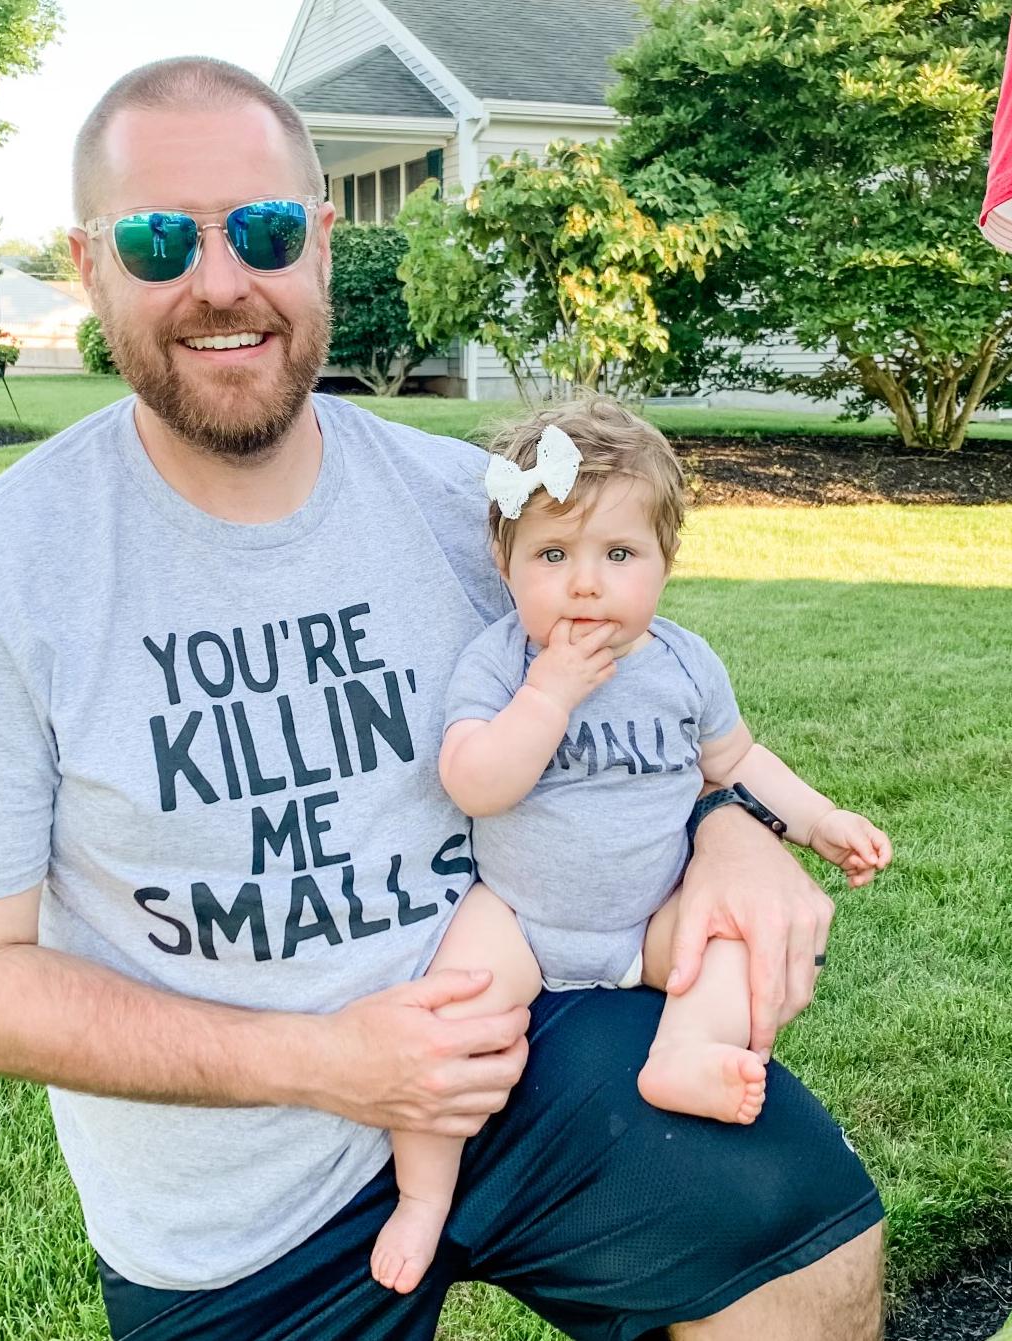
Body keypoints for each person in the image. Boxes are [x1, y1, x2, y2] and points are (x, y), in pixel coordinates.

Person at [0, 56, 886, 1341]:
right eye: (158, 241)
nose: (221, 282)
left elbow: (639, 697)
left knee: (800, 1238)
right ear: (89, 266)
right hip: (240, 1193)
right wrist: (324, 1063)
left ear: (321, 245)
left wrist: (732, 827)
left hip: (522, 1032)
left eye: (263, 230)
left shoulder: (476, 512)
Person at [370, 400, 893, 1295]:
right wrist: (547, 695)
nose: (585, 585)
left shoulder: (684, 664)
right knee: (446, 1023)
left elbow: (736, 761)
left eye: (618, 555)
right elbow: (473, 781)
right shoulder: (499, 663)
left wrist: (816, 820)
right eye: (552, 556)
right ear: (503, 562)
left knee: (733, 943)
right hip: (520, 919)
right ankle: (422, 1196)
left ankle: (683, 1053)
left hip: (648, 918)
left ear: (664, 560)